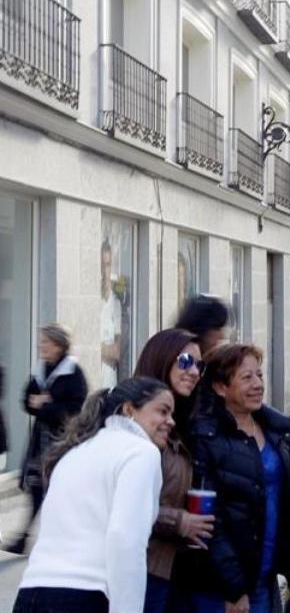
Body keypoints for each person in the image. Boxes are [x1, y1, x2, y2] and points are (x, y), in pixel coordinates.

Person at [183, 343, 290, 612]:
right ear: (221, 387)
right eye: (246, 377)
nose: (258, 384)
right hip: (221, 588)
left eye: (259, 375)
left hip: (266, 579)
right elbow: (209, 520)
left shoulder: (279, 429)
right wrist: (234, 588)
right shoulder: (204, 436)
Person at [14, 377, 174, 613]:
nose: (171, 421)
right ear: (129, 409)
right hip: (84, 596)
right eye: (163, 411)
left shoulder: (77, 450)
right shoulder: (141, 452)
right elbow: (126, 539)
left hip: (30, 592)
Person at [134, 329, 215, 612]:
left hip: (174, 570)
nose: (193, 371)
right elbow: (125, 505)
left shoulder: (183, 423)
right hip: (141, 569)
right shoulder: (138, 426)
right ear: (162, 359)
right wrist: (179, 521)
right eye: (185, 361)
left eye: (199, 365)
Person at [6, 324, 87, 555]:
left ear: (59, 345)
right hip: (40, 437)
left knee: (59, 489)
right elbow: (26, 400)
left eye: (46, 342)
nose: (41, 346)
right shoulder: (41, 370)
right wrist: (40, 404)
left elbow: (74, 410)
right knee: (36, 486)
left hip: (61, 439)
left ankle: (63, 539)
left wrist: (45, 406)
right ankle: (25, 536)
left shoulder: (73, 372)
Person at [100, 240, 122, 387]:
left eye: (108, 265)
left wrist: (99, 348)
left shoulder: (116, 304)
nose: (104, 271)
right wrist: (105, 349)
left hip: (110, 381)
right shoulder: (92, 301)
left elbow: (116, 353)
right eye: (102, 265)